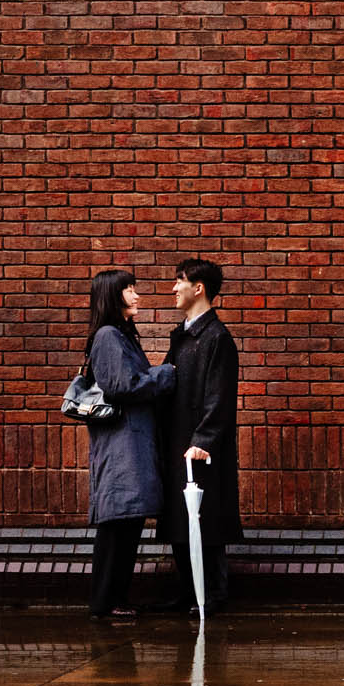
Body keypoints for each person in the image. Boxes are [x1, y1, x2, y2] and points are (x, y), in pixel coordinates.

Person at [81, 267, 176, 618]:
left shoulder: (121, 334)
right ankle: (105, 603)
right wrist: (166, 374)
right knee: (117, 527)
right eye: (129, 290)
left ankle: (114, 599)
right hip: (120, 447)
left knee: (127, 524)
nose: (137, 295)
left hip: (130, 443)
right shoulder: (108, 336)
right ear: (112, 295)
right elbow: (123, 386)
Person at [156, 256, 241, 612]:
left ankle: (214, 594)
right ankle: (190, 592)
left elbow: (219, 397)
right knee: (181, 518)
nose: (174, 288)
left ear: (198, 288)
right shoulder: (183, 336)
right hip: (178, 442)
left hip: (200, 448)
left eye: (179, 281)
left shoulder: (217, 339)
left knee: (206, 521)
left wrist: (203, 441)